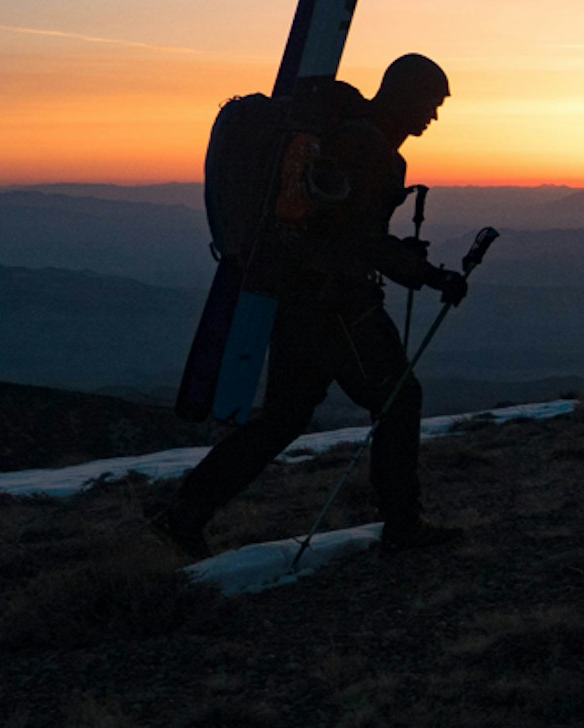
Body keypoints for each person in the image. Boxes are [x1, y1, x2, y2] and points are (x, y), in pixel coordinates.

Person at [151, 54, 467, 561]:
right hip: (336, 304)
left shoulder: (359, 138)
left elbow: (341, 229)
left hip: (298, 299)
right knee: (398, 400)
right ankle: (403, 523)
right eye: (430, 101)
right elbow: (356, 240)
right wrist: (429, 275)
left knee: (284, 418)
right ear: (403, 93)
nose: (433, 115)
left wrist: (403, 260)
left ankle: (183, 514)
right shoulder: (371, 148)